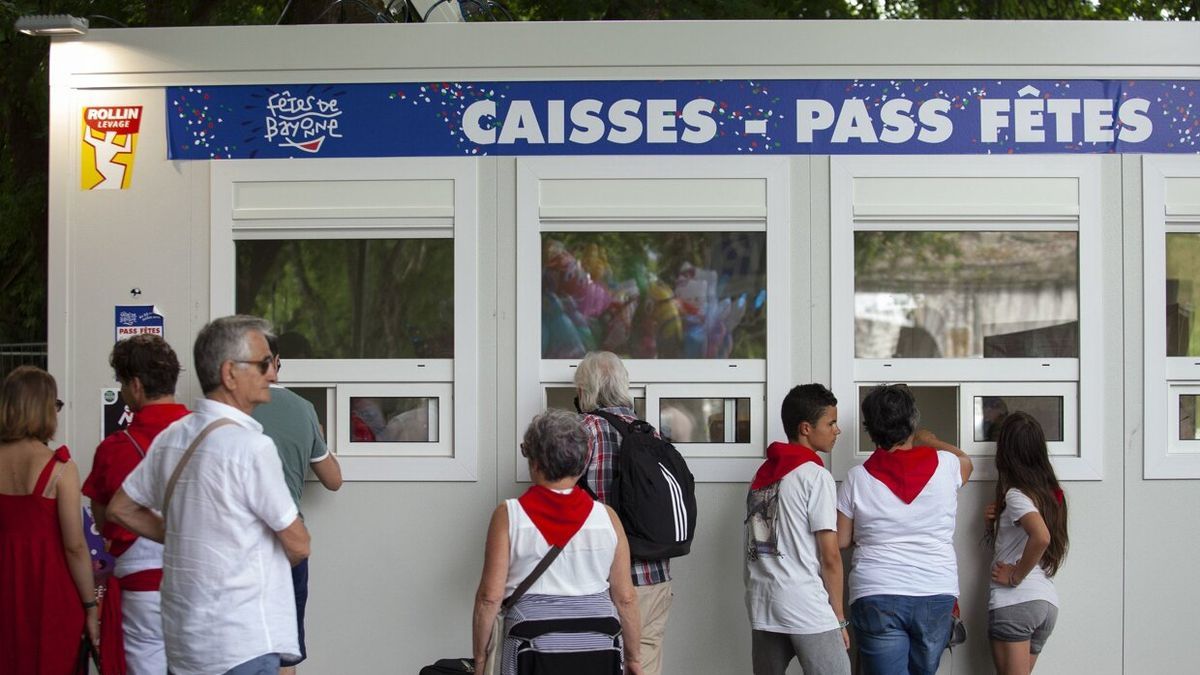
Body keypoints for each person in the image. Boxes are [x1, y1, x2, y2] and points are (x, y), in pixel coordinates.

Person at [109, 315, 310, 675]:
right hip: (243, 641)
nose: (273, 375)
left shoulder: (172, 437)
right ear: (230, 373)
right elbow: (298, 544)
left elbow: (121, 508)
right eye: (264, 364)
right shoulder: (251, 447)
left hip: (187, 643)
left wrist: (183, 539)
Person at [473, 409, 642, 675]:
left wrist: (481, 659)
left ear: (535, 462)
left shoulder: (509, 516)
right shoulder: (607, 517)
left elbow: (489, 598)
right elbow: (626, 598)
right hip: (600, 647)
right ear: (582, 461)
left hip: (531, 648)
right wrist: (633, 658)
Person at [835, 384, 973, 675]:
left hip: (877, 591)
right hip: (935, 590)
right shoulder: (946, 465)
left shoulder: (857, 478)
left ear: (870, 431)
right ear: (912, 422)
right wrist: (930, 440)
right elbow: (967, 463)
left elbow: (842, 539)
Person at [83, 335, 190, 675]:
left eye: (122, 384)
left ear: (136, 385)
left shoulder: (114, 448)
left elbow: (103, 520)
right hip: (200, 579)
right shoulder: (207, 436)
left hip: (141, 588)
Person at [574, 351, 672, 675]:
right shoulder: (650, 433)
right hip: (656, 575)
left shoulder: (584, 431)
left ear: (585, 390)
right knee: (644, 664)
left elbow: (561, 498)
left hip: (603, 581)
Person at [251, 334, 343, 674]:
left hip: (236, 544)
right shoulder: (302, 409)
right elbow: (333, 480)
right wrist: (317, 436)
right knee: (285, 652)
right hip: (287, 542)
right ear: (276, 364)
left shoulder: (229, 408)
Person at [744, 384, 851, 675]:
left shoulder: (763, 474)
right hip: (804, 602)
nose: (836, 430)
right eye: (830, 423)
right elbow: (830, 555)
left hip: (763, 601)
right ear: (806, 428)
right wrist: (839, 618)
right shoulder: (815, 476)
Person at [0, 366, 99, 673]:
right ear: (44, 409)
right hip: (48, 589)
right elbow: (74, 546)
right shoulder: (59, 468)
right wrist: (90, 605)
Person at [984, 412, 1069, 675]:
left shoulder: (1017, 494)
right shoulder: (1049, 494)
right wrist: (996, 522)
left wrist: (1014, 576)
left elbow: (1041, 537)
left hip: (1015, 602)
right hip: (1044, 604)